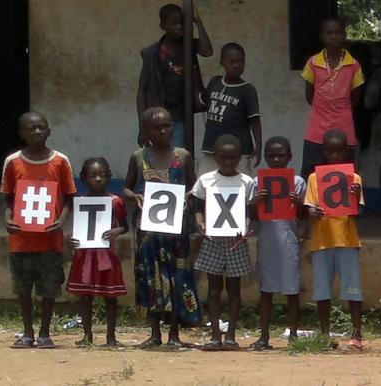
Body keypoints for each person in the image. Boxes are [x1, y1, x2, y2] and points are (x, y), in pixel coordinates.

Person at [124, 107, 203, 347]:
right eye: (157, 127)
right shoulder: (139, 157)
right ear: (146, 130)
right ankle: (155, 332)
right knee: (151, 278)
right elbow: (127, 187)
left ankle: (175, 333)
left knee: (177, 277)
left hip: (177, 229)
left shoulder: (183, 156)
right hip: (149, 231)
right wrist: (135, 197)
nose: (163, 131)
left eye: (167, 125)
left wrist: (188, 197)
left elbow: (194, 186)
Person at [1, 112, 76, 349]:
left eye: (41, 128)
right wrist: (8, 220)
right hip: (21, 239)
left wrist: (62, 220)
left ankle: (45, 332)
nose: (37, 132)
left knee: (49, 287)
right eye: (31, 129)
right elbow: (8, 198)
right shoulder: (13, 162)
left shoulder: (60, 161)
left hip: (49, 238)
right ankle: (27, 332)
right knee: (23, 288)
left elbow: (70, 198)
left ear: (49, 131)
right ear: (21, 133)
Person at [190, 135, 255, 351]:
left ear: (239, 158)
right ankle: (216, 334)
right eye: (223, 157)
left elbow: (248, 211)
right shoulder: (206, 180)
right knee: (214, 287)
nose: (228, 162)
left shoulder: (246, 182)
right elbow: (198, 206)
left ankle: (232, 335)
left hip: (236, 240)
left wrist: (246, 227)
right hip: (212, 238)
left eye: (233, 158)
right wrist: (200, 224)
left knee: (234, 288)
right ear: (216, 157)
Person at [304, 129, 366, 350]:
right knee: (322, 290)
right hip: (322, 240)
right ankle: (324, 333)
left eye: (339, 152)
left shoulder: (354, 178)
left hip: (347, 239)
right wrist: (312, 213)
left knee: (352, 288)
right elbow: (309, 207)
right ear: (323, 152)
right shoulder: (314, 178)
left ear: (346, 152)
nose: (335, 156)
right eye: (330, 151)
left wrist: (355, 194)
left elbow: (357, 210)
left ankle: (357, 334)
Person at [249, 137, 303, 351]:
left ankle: (293, 334)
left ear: (290, 157)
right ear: (265, 158)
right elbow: (251, 215)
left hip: (289, 240)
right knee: (266, 289)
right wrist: (255, 202)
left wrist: (298, 204)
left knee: (292, 290)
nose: (277, 159)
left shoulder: (297, 182)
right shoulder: (256, 183)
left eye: (281, 155)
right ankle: (264, 336)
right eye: (271, 155)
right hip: (267, 241)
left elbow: (304, 214)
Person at [66, 157, 126, 348]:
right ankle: (87, 334)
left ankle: (111, 336)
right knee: (85, 296)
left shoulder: (115, 201)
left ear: (108, 177)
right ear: (84, 179)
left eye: (102, 175)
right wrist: (72, 240)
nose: (98, 179)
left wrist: (116, 231)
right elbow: (78, 228)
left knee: (110, 297)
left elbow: (125, 226)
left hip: (106, 255)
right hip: (84, 255)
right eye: (93, 175)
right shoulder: (80, 202)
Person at [137, 3, 211, 148]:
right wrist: (142, 127)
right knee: (159, 161)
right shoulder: (152, 53)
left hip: (180, 117)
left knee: (177, 159)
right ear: (162, 25)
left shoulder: (188, 46)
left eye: (183, 23)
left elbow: (207, 51)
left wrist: (198, 22)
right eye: (174, 23)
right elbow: (142, 91)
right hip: (157, 119)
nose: (180, 27)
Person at [300, 18, 366, 176]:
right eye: (329, 33)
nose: (334, 37)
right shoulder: (313, 62)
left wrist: (340, 111)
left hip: (344, 127)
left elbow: (355, 97)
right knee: (311, 172)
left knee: (345, 174)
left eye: (338, 33)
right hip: (316, 129)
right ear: (322, 36)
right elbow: (310, 95)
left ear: (344, 36)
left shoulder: (354, 65)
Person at [199, 43, 261, 176]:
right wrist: (193, 74)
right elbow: (201, 102)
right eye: (232, 62)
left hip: (239, 152)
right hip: (212, 147)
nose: (237, 65)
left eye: (240, 61)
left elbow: (255, 120)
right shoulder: (215, 82)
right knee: (205, 185)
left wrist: (258, 146)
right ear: (222, 62)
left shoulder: (247, 89)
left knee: (241, 186)